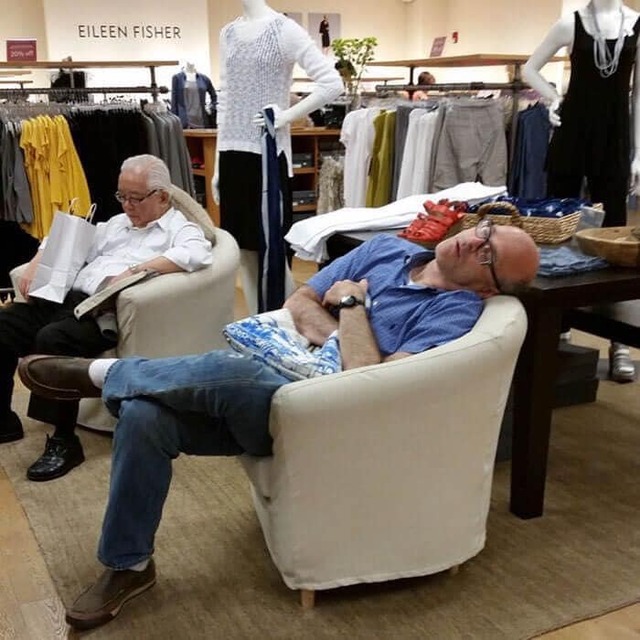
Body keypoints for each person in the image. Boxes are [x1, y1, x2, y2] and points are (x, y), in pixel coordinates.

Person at [17, 222, 540, 630]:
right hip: (275, 386)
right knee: (144, 415)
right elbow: (299, 301)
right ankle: (129, 565)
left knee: (236, 371)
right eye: (486, 230)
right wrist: (340, 340)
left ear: (489, 286)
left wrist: (351, 303)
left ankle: (105, 375)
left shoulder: (453, 311)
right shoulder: (387, 250)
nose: (474, 240)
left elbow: (368, 381)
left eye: (488, 254)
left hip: (322, 421)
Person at [0, 154, 213, 481]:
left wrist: (137, 269)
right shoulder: (116, 224)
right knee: (5, 325)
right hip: (69, 298)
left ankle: (64, 440)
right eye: (121, 196)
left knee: (52, 340)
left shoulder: (179, 229)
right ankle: (4, 419)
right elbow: (70, 237)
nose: (127, 205)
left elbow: (196, 254)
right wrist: (38, 260)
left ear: (161, 197)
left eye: (135, 198)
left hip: (103, 312)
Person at [522, 0, 640, 382]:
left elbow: (638, 95)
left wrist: (638, 152)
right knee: (559, 227)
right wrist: (553, 97)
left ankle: (619, 342)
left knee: (617, 236)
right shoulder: (570, 23)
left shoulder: (636, 25)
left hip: (614, 134)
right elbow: (529, 68)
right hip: (572, 130)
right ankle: (558, 328)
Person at [213, 0, 342, 315]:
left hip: (266, 154)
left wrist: (285, 117)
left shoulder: (283, 30)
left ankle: (284, 319)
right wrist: (217, 162)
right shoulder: (228, 33)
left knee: (272, 248)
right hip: (231, 154)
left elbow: (331, 84)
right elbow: (225, 97)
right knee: (242, 249)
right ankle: (258, 321)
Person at [170, 61, 217, 129]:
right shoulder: (177, 78)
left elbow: (214, 95)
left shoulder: (204, 78)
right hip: (185, 120)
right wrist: (174, 120)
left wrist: (212, 107)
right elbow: (174, 100)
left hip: (201, 119)